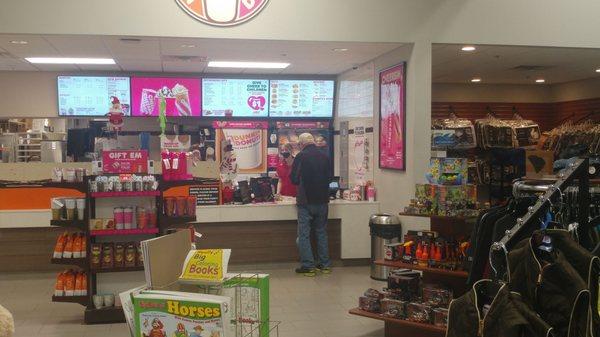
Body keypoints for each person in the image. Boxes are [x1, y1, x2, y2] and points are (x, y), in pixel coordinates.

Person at [290, 133, 332, 276]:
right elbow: (330, 178)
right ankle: (324, 265)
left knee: (304, 235)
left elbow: (294, 179)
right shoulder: (325, 156)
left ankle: (308, 266)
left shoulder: (301, 157)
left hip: (306, 201)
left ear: (301, 144)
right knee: (321, 233)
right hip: (323, 201)